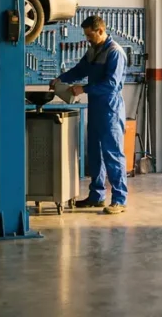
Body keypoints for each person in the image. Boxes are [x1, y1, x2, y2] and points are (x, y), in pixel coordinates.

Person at [50, 15, 128, 215]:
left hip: (110, 108)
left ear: (100, 30)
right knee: (94, 152)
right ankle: (97, 196)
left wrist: (83, 89)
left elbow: (111, 85)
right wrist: (61, 78)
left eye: (89, 35)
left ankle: (119, 199)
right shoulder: (93, 50)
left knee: (112, 153)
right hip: (95, 107)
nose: (87, 39)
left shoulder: (114, 53)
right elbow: (80, 69)